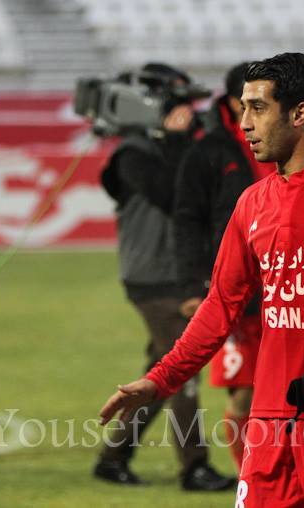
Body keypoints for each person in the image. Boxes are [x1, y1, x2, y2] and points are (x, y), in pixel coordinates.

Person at [99, 53, 304, 507]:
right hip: (269, 415)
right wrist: (161, 379)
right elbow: (221, 305)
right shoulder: (252, 204)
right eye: (241, 108)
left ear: (299, 113)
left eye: (257, 107)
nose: (244, 121)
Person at [93, 63, 234, 491]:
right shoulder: (132, 153)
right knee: (184, 368)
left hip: (170, 273)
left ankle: (113, 456)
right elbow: (176, 196)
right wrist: (177, 141)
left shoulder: (171, 146)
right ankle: (194, 466)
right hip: (154, 276)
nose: (188, 114)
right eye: (180, 106)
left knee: (161, 370)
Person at [174, 61, 267, 475]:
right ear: (233, 102)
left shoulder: (285, 142)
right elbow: (188, 219)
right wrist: (195, 284)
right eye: (252, 102)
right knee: (244, 393)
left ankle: (286, 470)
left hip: (288, 284)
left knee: (292, 388)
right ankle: (250, 474)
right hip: (238, 289)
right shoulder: (210, 150)